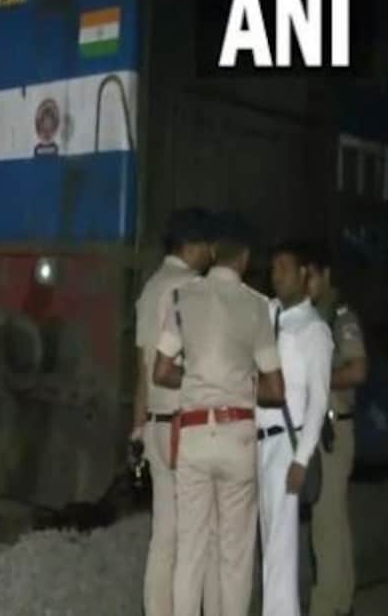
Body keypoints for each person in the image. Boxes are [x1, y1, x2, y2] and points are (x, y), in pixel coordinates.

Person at [152, 213, 285, 616]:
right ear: (244, 259)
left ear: (212, 252)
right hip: (238, 437)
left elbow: (161, 370)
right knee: (234, 555)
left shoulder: (183, 298)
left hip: (193, 434)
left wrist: (193, 378)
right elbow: (275, 390)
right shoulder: (258, 307)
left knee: (190, 550)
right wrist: (241, 388)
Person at [132, 208, 221, 616]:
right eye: (208, 245)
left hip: (154, 425)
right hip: (188, 428)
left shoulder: (150, 289)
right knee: (198, 539)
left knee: (163, 535)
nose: (212, 253)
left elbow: (141, 370)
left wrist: (137, 428)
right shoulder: (194, 290)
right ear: (192, 246)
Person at [259, 243, 333, 616]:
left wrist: (301, 460)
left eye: (284, 268)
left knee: (280, 551)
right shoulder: (269, 313)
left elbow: (319, 401)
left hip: (287, 447)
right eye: (273, 268)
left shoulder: (314, 330)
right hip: (258, 443)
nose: (276, 275)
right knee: (269, 544)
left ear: (305, 273)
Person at [304, 244, 366, 616]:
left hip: (333, 431)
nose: (306, 282)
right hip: (326, 431)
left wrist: (315, 378)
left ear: (326, 274)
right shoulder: (316, 316)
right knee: (334, 526)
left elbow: (357, 369)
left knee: (325, 531)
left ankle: (327, 607)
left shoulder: (340, 317)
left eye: (311, 274)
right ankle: (342, 602)